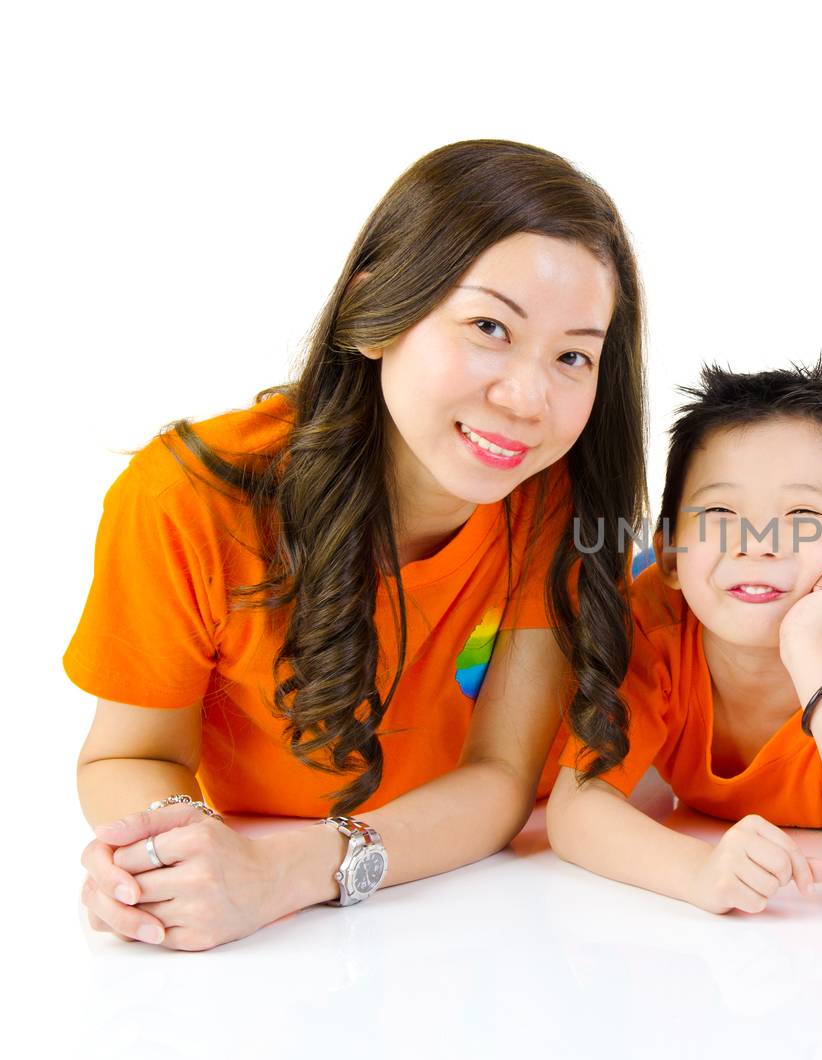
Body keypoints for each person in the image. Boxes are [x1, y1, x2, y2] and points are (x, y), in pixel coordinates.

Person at [68, 140, 647, 950]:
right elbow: (125, 756)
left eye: (573, 356)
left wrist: (295, 872)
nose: (527, 399)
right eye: (489, 326)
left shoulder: (554, 502)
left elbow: (501, 779)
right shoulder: (186, 500)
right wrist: (178, 858)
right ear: (377, 314)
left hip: (498, 884)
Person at [548, 358, 822, 913]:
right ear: (667, 555)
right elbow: (577, 807)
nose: (757, 543)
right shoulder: (655, 626)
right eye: (719, 510)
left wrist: (810, 651)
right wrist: (699, 871)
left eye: (803, 514)